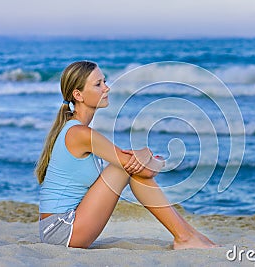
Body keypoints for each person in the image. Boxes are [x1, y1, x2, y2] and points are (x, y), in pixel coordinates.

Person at [35, 60, 216, 249]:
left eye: (104, 81)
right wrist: (148, 154)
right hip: (61, 230)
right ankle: (185, 237)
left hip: (60, 228)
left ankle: (188, 235)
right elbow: (138, 169)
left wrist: (148, 161)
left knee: (123, 167)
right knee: (121, 169)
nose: (106, 88)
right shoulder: (80, 134)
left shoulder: (77, 130)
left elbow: (140, 168)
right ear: (78, 95)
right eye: (98, 84)